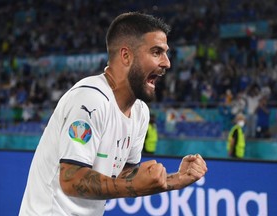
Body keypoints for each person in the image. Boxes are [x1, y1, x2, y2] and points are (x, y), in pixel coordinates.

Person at [19, 12, 207, 216]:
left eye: (165, 53)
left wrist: (174, 180)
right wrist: (134, 186)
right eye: (156, 52)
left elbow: (124, 175)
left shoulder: (140, 111)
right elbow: (71, 179)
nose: (167, 63)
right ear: (126, 56)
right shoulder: (90, 99)